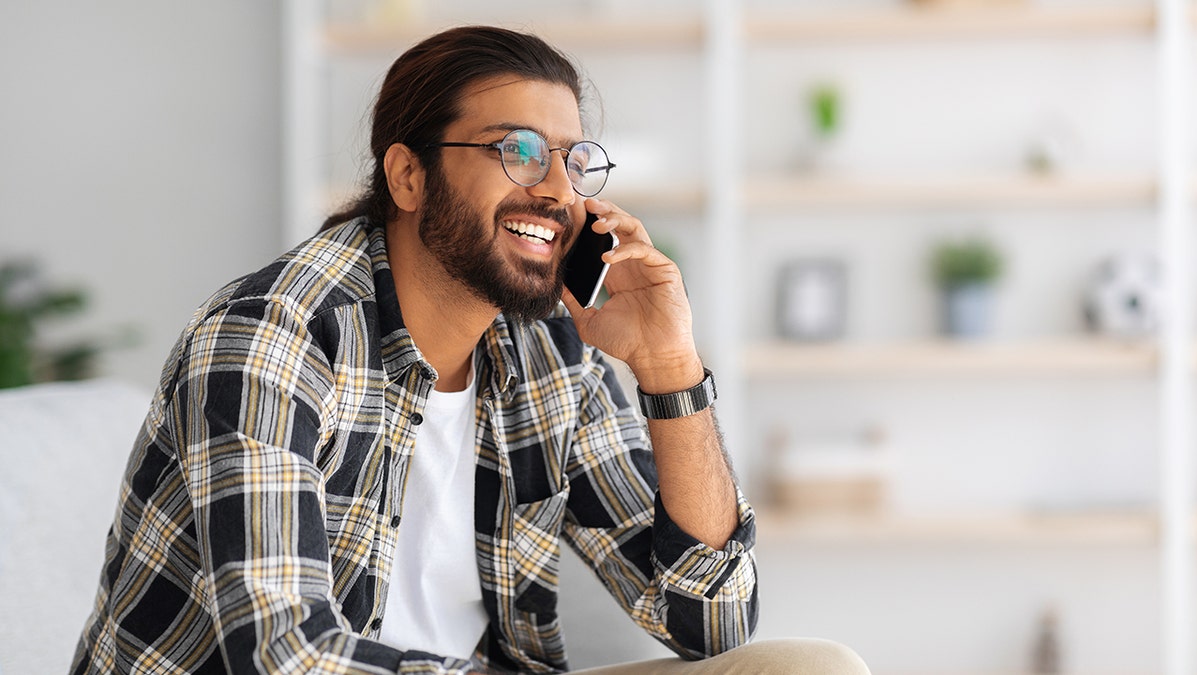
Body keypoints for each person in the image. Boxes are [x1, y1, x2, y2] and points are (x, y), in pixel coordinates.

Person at [71, 25, 868, 675]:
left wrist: (669, 370)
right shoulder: (271, 337)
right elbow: (289, 657)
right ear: (409, 176)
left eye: (573, 160)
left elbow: (711, 622)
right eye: (517, 151)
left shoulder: (551, 350)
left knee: (812, 668)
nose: (557, 190)